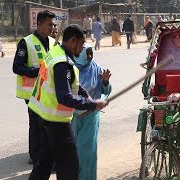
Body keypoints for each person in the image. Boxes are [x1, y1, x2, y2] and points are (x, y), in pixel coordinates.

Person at [27, 24, 108, 180]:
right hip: (55, 121)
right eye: (81, 44)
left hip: (41, 116)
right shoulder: (62, 63)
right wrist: (93, 104)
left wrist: (88, 97)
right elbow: (65, 97)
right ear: (72, 41)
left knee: (43, 164)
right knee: (69, 166)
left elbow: (74, 86)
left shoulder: (55, 53)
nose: (82, 48)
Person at [12, 10, 56, 165]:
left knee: (46, 123)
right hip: (32, 93)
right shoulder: (26, 42)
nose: (52, 27)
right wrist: (38, 72)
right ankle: (35, 155)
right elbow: (17, 67)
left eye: (53, 24)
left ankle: (43, 153)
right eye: (49, 24)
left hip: (48, 92)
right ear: (39, 24)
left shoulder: (52, 42)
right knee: (36, 123)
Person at [71, 31, 112, 180]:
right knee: (72, 152)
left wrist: (105, 82)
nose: (89, 57)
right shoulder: (69, 66)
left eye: (90, 54)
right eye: (86, 54)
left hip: (90, 116)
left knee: (86, 151)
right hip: (71, 116)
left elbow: (105, 91)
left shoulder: (96, 68)